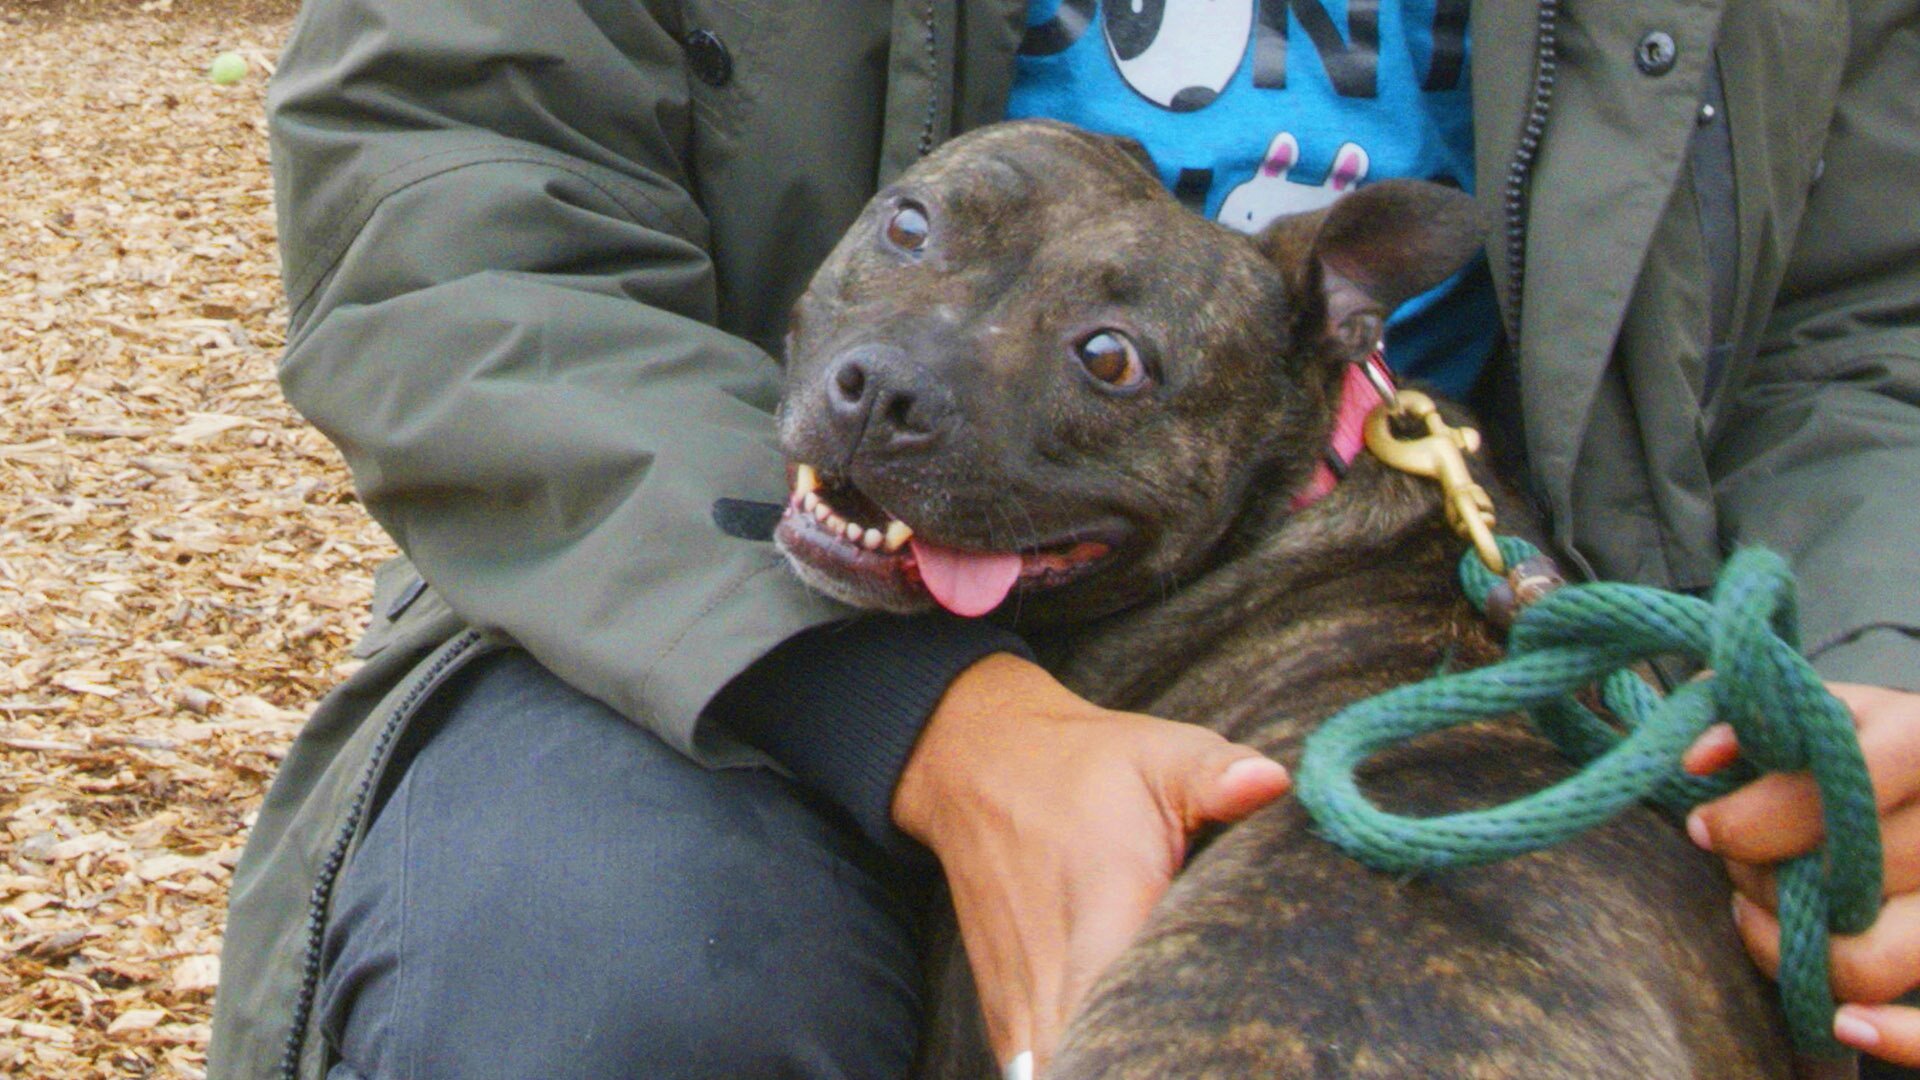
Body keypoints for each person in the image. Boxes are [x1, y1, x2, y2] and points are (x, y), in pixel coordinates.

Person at [208, 1, 1920, 1077]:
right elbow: (456, 208)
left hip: (1531, 632)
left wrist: (1877, 668)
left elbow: (1871, 326)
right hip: (683, 580)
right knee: (612, 987)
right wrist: (924, 719)